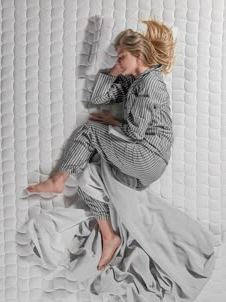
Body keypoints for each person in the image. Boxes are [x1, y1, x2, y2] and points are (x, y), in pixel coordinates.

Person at [26, 19, 176, 271]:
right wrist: (114, 72)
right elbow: (97, 98)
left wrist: (111, 120)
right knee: (88, 176)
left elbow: (135, 133)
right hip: (141, 166)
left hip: (149, 155)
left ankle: (58, 181)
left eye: (122, 58)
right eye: (117, 58)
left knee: (90, 129)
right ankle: (110, 237)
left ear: (138, 55)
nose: (117, 62)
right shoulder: (134, 82)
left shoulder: (150, 84)